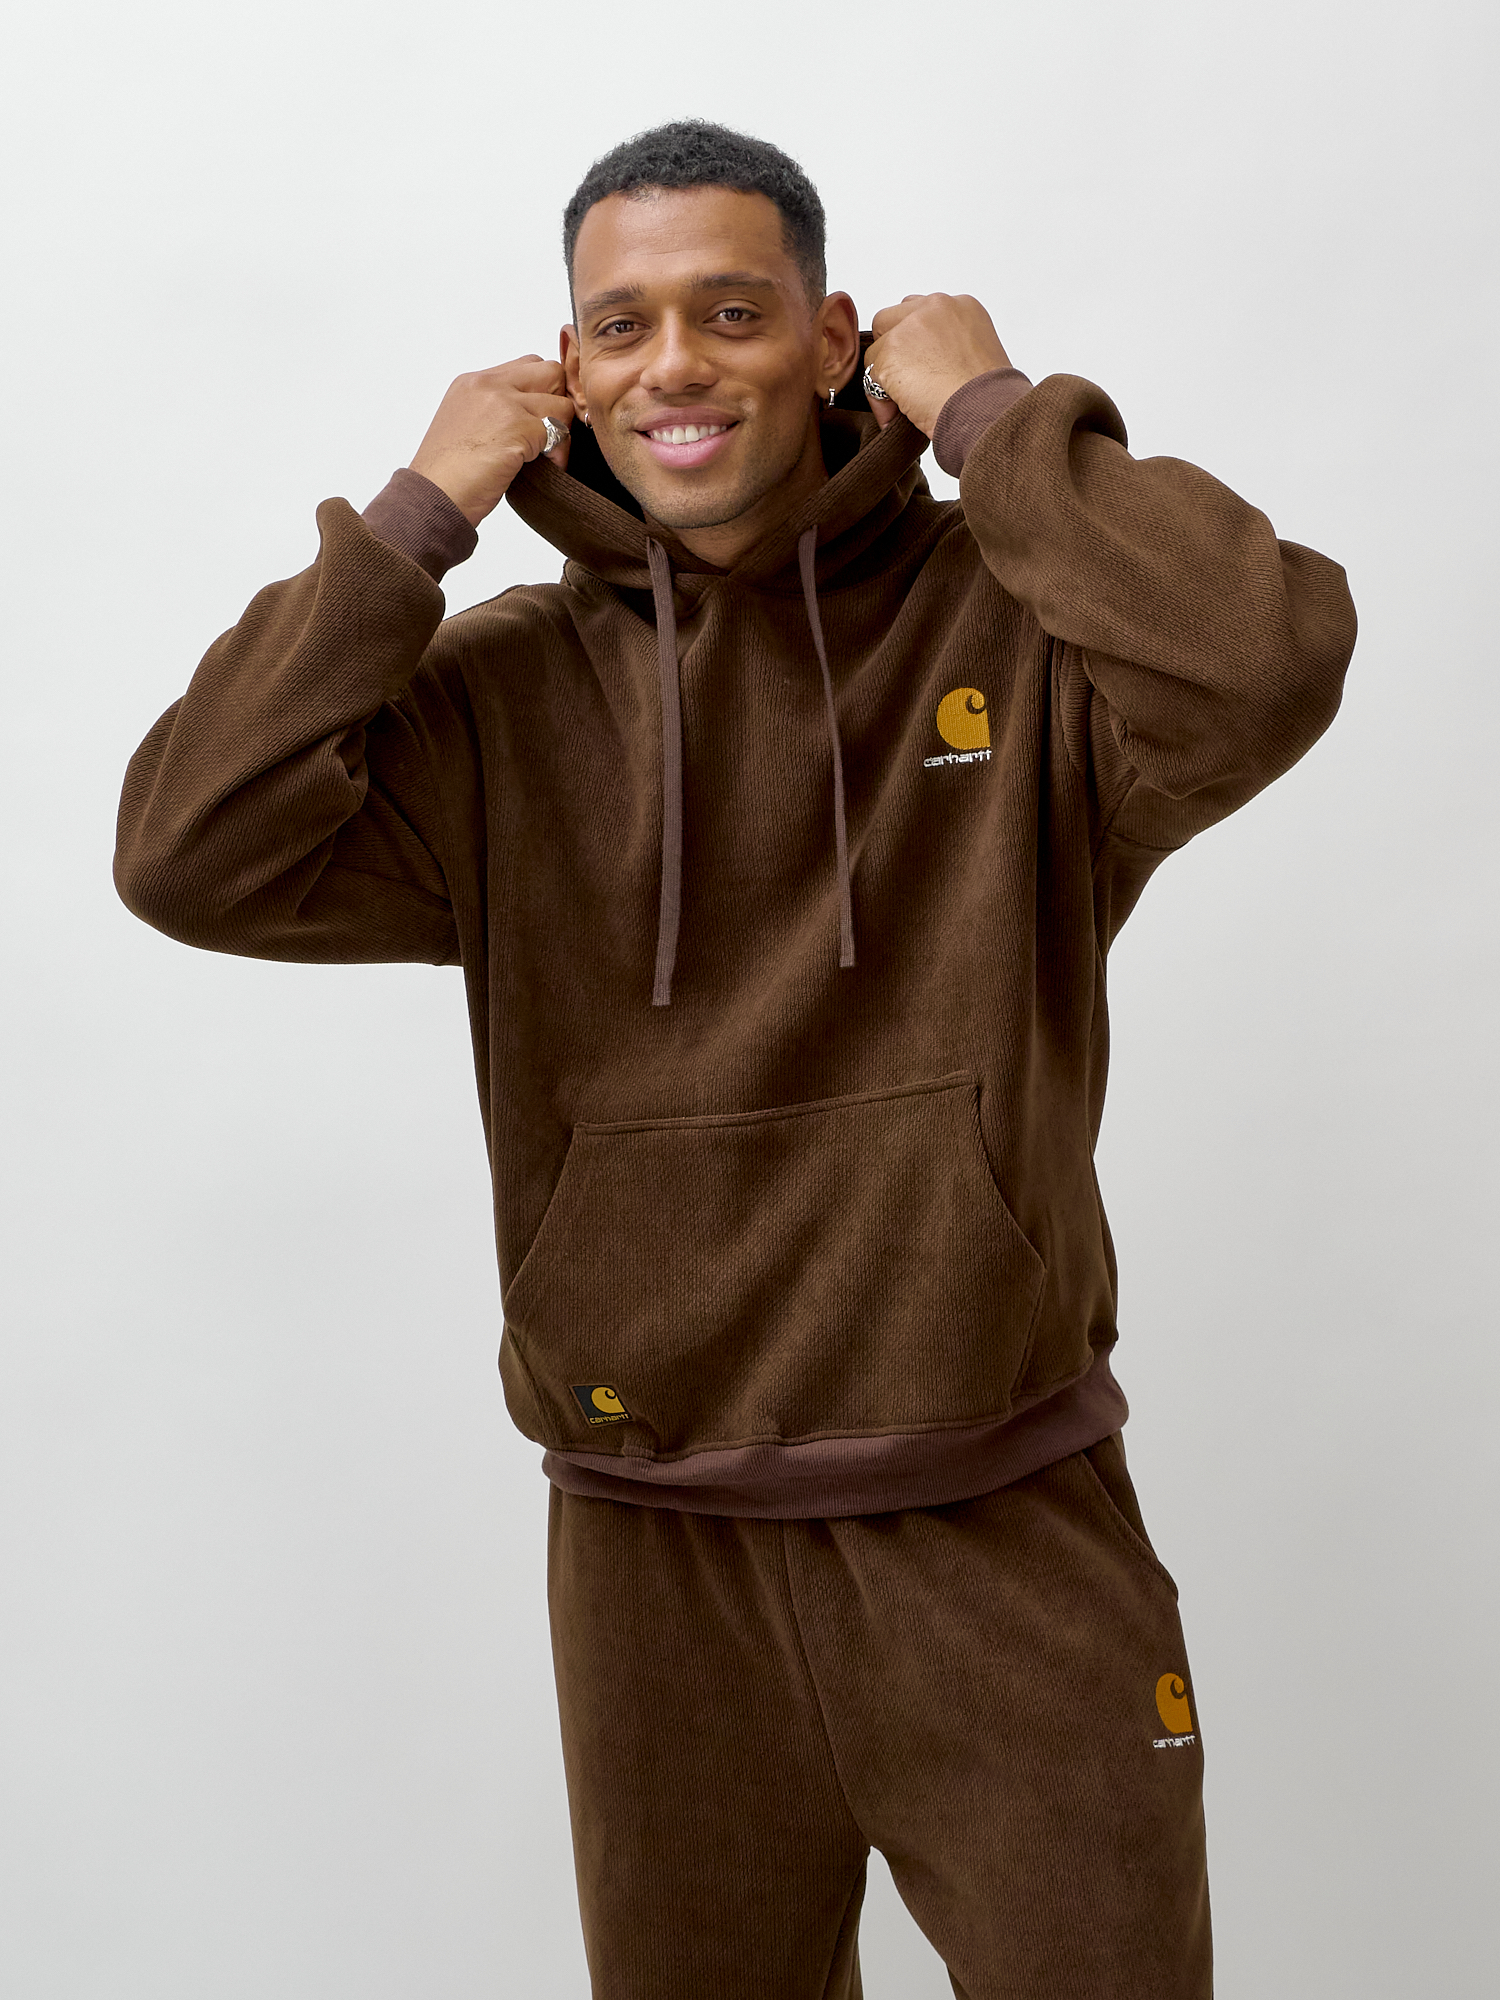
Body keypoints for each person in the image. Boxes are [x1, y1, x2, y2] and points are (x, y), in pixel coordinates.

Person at [114, 118, 1356, 2000]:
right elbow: (184, 852)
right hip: (652, 1565)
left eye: (731, 311)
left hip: (1002, 1530)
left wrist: (997, 415)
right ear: (568, 368)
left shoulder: (1021, 633)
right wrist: (413, 523)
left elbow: (1264, 660)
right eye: (621, 327)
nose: (674, 364)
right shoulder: (499, 698)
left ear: (834, 338)